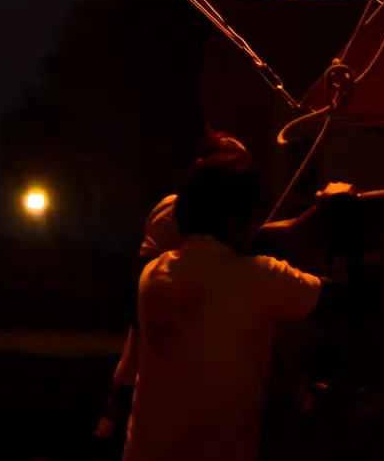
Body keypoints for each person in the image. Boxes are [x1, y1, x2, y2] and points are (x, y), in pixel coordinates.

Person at [121, 142, 323, 461]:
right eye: (254, 214)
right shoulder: (258, 277)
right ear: (235, 221)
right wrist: (338, 210)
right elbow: (339, 298)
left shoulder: (152, 274)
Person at [94, 133, 248, 446]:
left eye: (242, 167)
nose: (238, 173)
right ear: (201, 165)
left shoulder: (232, 220)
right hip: (156, 354)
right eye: (230, 164)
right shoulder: (176, 208)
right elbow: (144, 279)